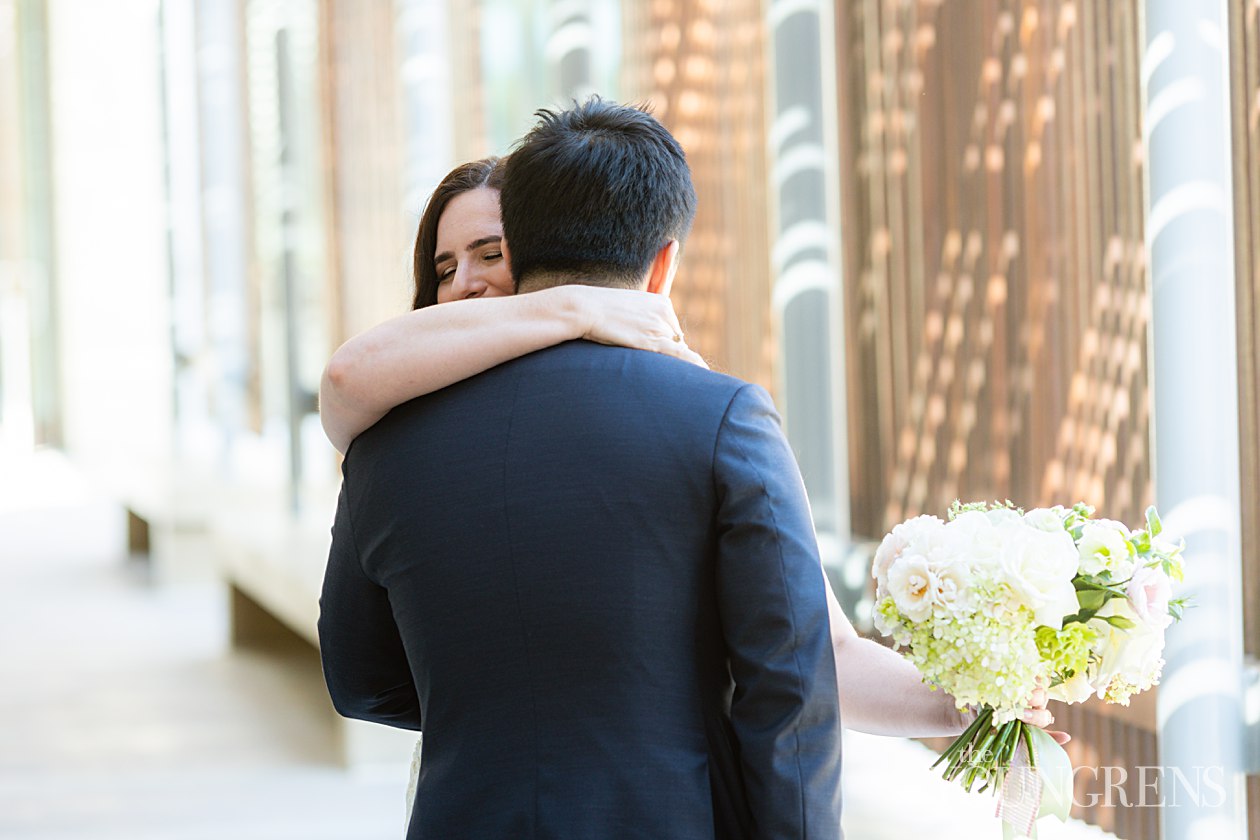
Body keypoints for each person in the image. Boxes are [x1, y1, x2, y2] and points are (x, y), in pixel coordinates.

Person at [318, 157, 1066, 748]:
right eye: (443, 268)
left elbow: (824, 651)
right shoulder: (406, 422)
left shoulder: (700, 407)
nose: (466, 286)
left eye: (490, 252)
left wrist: (972, 703)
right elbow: (345, 378)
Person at [318, 98, 845, 838]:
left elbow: (358, 681)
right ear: (664, 262)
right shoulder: (723, 418)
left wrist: (485, 699)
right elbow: (790, 687)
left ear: (519, 248)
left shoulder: (385, 444)